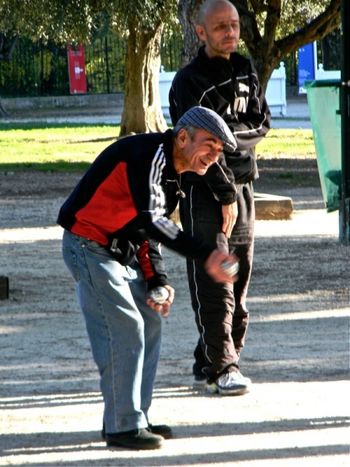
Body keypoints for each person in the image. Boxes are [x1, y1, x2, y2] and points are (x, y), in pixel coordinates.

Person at [57, 106, 240, 451]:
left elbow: (146, 232)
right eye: (209, 145)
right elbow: (155, 221)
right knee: (126, 327)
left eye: (219, 152)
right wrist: (207, 255)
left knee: (150, 319)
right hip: (88, 244)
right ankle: (123, 426)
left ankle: (136, 415)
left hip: (118, 250)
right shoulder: (152, 156)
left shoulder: (174, 172)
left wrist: (157, 280)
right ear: (183, 137)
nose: (213, 157)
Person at [169, 0, 271, 396]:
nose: (230, 33)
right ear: (200, 32)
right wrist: (224, 189)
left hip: (244, 186)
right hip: (205, 192)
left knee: (240, 277)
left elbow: (261, 123)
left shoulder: (246, 68)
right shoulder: (188, 82)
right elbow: (199, 146)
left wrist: (224, 137)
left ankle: (210, 357)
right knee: (216, 278)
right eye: (220, 27)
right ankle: (223, 367)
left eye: (234, 25)